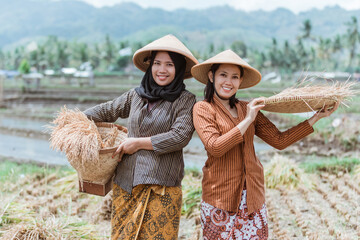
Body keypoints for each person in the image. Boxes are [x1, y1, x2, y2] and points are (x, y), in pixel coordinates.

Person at [191, 49, 339, 240]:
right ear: (211, 76)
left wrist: (315, 118)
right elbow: (215, 147)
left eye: (235, 77)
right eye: (223, 75)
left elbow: (279, 140)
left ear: (240, 81)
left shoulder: (247, 108)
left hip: (253, 199)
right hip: (220, 199)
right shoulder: (203, 108)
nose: (229, 82)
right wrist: (248, 120)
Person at [84, 34, 198, 239]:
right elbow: (108, 110)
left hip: (161, 187)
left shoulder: (185, 100)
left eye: (169, 65)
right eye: (157, 63)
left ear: (179, 68)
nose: (162, 70)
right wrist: (76, 118)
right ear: (150, 65)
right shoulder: (135, 96)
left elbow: (180, 136)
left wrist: (137, 144)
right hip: (126, 184)